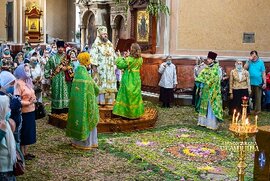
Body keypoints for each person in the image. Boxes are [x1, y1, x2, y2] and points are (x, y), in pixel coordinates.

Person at [66, 52, 99, 150]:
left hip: (77, 104)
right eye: (89, 61)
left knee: (78, 119)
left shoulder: (78, 72)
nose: (90, 64)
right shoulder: (85, 75)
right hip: (86, 104)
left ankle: (76, 142)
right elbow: (95, 89)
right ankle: (86, 143)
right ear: (86, 62)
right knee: (86, 119)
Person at [113, 43, 145, 119]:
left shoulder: (129, 59)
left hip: (128, 78)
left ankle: (127, 114)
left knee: (127, 96)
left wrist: (120, 57)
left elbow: (120, 65)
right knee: (135, 96)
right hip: (136, 79)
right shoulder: (141, 59)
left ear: (132, 50)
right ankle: (136, 114)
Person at [195, 51, 223, 130]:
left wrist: (209, 82)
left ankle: (211, 123)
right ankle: (203, 122)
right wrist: (201, 86)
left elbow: (218, 79)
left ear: (213, 60)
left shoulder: (217, 69)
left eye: (209, 59)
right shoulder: (206, 68)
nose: (208, 60)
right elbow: (201, 77)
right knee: (204, 105)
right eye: (208, 58)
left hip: (213, 91)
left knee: (211, 107)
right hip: (205, 90)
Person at [14, 64, 36, 160]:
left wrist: (33, 99)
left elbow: (31, 94)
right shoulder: (18, 83)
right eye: (26, 70)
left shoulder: (28, 81)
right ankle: (22, 152)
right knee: (24, 132)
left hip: (31, 110)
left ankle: (26, 152)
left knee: (29, 132)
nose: (28, 72)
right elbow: (17, 100)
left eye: (29, 70)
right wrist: (28, 102)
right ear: (21, 72)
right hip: (24, 111)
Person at [90, 26, 117, 105]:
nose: (105, 35)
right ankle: (100, 101)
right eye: (104, 34)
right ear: (99, 35)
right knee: (101, 84)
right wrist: (94, 66)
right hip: (100, 68)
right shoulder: (96, 44)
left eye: (106, 34)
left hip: (109, 69)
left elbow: (113, 54)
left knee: (110, 84)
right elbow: (93, 55)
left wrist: (117, 61)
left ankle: (109, 101)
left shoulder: (109, 44)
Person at [44, 40, 69, 114]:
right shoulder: (53, 58)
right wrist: (49, 76)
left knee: (65, 94)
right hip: (56, 79)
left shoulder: (67, 58)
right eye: (59, 47)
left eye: (62, 47)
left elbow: (72, 67)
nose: (60, 49)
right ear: (57, 48)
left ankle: (65, 110)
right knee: (56, 93)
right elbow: (47, 67)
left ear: (64, 48)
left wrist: (67, 68)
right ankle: (56, 111)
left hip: (65, 79)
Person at [0, 71, 22, 144]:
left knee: (16, 140)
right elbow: (14, 107)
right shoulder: (2, 97)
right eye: (11, 83)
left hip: (15, 122)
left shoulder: (8, 93)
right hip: (9, 125)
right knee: (13, 142)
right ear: (4, 84)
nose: (13, 86)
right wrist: (16, 96)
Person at [0, 95, 17, 181]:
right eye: (7, 107)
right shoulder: (2, 125)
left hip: (10, 165)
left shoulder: (5, 122)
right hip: (2, 169)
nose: (9, 110)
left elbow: (13, 143)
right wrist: (1, 132)